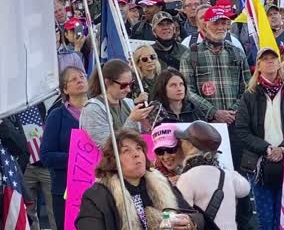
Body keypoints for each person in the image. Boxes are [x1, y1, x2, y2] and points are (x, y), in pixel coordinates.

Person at [76, 128, 205, 229]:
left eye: (139, 149)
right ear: (113, 160)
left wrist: (189, 222)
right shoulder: (97, 196)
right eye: (126, 151)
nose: (136, 154)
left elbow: (197, 217)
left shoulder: (161, 183)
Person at [236, 48, 284, 229]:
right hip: (258, 163)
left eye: (273, 58)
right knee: (265, 218)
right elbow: (242, 130)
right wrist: (267, 148)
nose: (270, 62)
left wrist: (282, 148)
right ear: (258, 65)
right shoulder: (249, 95)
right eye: (264, 59)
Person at [179, 5, 251, 169]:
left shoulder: (237, 53)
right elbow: (187, 90)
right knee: (209, 170)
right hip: (205, 126)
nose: (220, 27)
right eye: (215, 23)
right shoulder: (190, 54)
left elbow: (248, 86)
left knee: (237, 172)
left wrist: (233, 111)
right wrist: (213, 112)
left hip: (235, 125)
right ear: (205, 25)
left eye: (224, 23)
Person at [176, 121, 251, 229]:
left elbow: (182, 217)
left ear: (189, 145)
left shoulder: (187, 178)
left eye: (182, 141)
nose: (180, 144)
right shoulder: (227, 175)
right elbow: (245, 189)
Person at [41, 66, 88, 229]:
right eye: (74, 79)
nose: (80, 80)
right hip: (66, 189)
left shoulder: (100, 111)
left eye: (82, 76)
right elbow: (46, 156)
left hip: (97, 187)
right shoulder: (56, 115)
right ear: (65, 89)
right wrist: (77, 158)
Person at [80, 59, 155, 148]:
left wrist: (145, 127)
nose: (128, 89)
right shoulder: (93, 109)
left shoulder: (129, 103)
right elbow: (108, 146)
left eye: (130, 84)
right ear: (107, 82)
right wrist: (132, 120)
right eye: (123, 85)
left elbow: (136, 140)